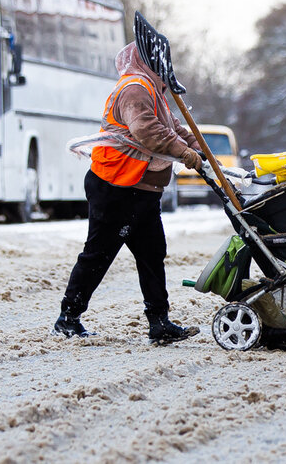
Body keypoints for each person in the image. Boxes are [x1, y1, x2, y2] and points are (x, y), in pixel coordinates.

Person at [53, 37, 204, 345]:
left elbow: (176, 128)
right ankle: (68, 319)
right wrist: (183, 152)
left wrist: (200, 150)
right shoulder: (135, 88)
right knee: (99, 254)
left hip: (142, 191)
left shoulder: (154, 92)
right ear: (146, 61)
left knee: (152, 254)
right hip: (117, 187)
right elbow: (147, 131)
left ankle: (159, 323)